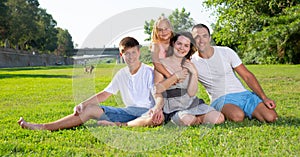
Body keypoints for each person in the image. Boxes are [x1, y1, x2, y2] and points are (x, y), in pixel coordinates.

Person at [18, 37, 164, 131]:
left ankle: (118, 125)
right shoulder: (121, 74)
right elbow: (105, 94)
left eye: (133, 52)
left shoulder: (150, 72)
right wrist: (83, 103)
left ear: (139, 52)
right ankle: (44, 127)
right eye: (126, 53)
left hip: (146, 113)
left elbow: (159, 94)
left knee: (156, 119)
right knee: (88, 110)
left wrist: (157, 109)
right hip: (127, 113)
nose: (130, 57)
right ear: (121, 55)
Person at [190, 24, 278, 122]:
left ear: (209, 38)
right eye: (197, 37)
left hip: (243, 95)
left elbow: (247, 76)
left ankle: (251, 109)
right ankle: (242, 112)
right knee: (237, 116)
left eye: (204, 36)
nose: (201, 40)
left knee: (271, 117)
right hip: (220, 99)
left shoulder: (226, 52)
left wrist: (264, 98)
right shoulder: (192, 62)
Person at [153, 32, 225, 126]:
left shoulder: (189, 64)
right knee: (187, 120)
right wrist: (175, 77)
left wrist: (194, 73)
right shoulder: (161, 64)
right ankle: (194, 119)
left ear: (189, 48)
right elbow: (158, 89)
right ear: (173, 44)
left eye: (186, 45)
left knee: (219, 118)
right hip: (173, 106)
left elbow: (191, 93)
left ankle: (197, 119)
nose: (182, 48)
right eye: (179, 44)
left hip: (191, 103)